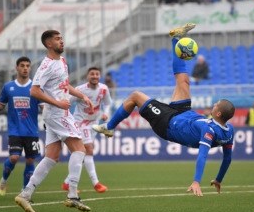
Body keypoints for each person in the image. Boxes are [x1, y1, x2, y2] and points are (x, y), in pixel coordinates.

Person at [93, 23, 235, 197]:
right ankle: (176, 38)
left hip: (168, 124)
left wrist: (197, 181)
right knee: (183, 80)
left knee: (136, 96)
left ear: (219, 113)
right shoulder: (230, 130)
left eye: (216, 105)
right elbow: (227, 158)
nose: (213, 105)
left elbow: (203, 156)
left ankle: (110, 126)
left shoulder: (209, 130)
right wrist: (219, 179)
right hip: (184, 114)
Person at [14, 30, 94, 212]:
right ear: (49, 44)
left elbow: (64, 86)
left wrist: (81, 95)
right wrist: (58, 102)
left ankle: (25, 194)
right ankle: (72, 195)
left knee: (52, 157)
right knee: (80, 150)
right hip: (58, 113)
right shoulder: (47, 64)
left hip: (55, 114)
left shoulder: (62, 62)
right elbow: (34, 91)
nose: (62, 41)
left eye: (61, 38)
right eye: (57, 39)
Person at [0, 57, 43, 196]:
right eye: (22, 66)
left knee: (30, 160)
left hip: (32, 131)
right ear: (17, 68)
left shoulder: (36, 88)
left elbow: (43, 107)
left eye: (28, 66)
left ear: (30, 68)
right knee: (14, 158)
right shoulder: (8, 87)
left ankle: (25, 191)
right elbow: (1, 106)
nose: (25, 68)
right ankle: (4, 179)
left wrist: (48, 119)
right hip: (15, 130)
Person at [61, 67, 111, 193]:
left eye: (97, 74)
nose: (94, 76)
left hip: (94, 123)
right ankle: (96, 183)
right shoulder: (80, 90)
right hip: (81, 123)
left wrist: (105, 113)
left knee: (83, 154)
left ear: (100, 76)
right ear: (87, 76)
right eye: (92, 74)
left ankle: (67, 183)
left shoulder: (104, 89)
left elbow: (108, 103)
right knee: (89, 150)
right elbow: (67, 102)